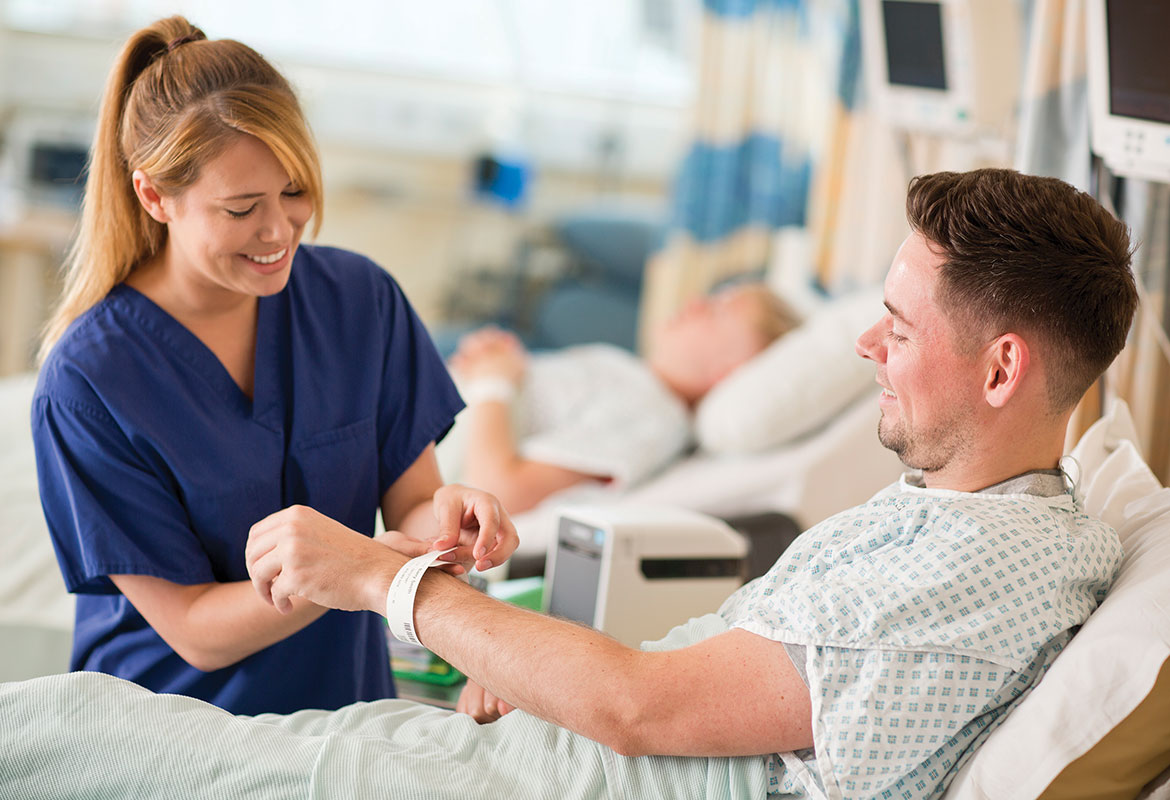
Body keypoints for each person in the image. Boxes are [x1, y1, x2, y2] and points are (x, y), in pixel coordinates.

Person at [5, 168, 1137, 800]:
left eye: (898, 325)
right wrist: (537, 673)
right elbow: (668, 688)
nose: (866, 347)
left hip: (551, 770)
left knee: (85, 740)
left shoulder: (990, 563)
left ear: (1002, 367)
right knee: (79, 726)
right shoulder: (951, 512)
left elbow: (645, 711)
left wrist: (384, 582)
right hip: (531, 748)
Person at [29, 16, 517, 717]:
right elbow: (196, 630)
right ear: (153, 197)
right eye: (240, 208)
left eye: (294, 192)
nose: (278, 231)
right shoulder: (88, 382)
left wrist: (446, 524)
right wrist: (364, 573)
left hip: (345, 722)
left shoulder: (360, 301)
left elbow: (409, 504)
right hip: (166, 735)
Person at [442, 282, 800, 513]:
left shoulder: (651, 417)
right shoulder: (636, 378)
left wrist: (493, 383)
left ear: (732, 370)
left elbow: (498, 492)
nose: (694, 302)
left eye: (720, 310)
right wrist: (497, 363)